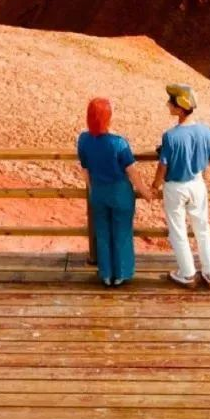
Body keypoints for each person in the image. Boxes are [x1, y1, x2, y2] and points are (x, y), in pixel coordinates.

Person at [152, 83, 210, 290]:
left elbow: (162, 166)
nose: (168, 105)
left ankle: (187, 274)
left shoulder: (170, 136)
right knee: (202, 229)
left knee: (178, 231)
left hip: (175, 187)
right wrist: (198, 166)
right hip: (197, 185)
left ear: (180, 109)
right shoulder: (206, 130)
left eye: (171, 103)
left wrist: (155, 185)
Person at [76, 97, 149, 287]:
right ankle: (122, 273)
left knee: (102, 231)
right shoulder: (119, 143)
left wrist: (93, 190)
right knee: (122, 231)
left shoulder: (83, 140)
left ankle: (106, 273)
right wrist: (146, 192)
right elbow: (132, 172)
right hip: (120, 192)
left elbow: (85, 171)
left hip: (98, 191)